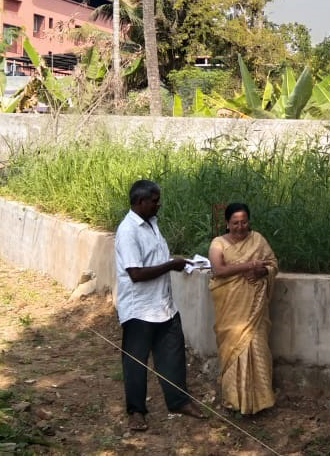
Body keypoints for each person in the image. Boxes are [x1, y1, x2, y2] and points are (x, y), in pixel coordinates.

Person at [114, 179, 206, 432]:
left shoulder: (152, 225)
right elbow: (136, 273)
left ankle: (178, 402)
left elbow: (156, 259)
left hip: (163, 305)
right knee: (136, 362)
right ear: (140, 202)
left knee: (173, 356)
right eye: (154, 201)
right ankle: (136, 412)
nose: (159, 204)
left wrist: (183, 263)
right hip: (139, 309)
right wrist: (171, 265)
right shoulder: (128, 231)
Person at [208, 202, 278, 415]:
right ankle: (233, 401)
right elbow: (218, 270)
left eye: (244, 222)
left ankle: (262, 401)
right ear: (227, 223)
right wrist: (249, 266)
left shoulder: (257, 240)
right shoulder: (218, 243)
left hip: (254, 310)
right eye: (235, 223)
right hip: (230, 309)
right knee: (233, 351)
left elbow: (273, 263)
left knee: (257, 347)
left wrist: (262, 272)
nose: (240, 227)